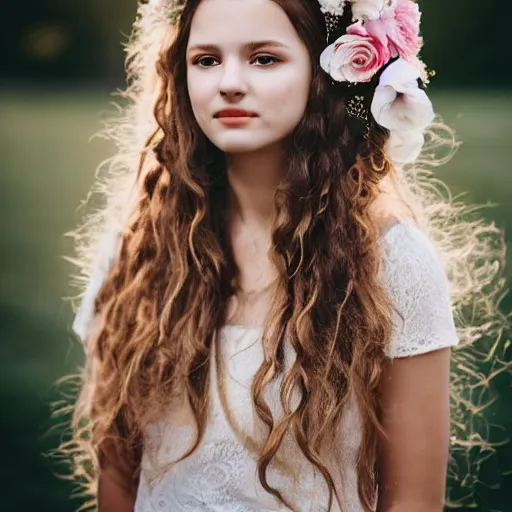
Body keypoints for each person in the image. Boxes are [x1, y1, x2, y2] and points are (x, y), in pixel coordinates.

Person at [63, 0, 509, 511]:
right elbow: (118, 477)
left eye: (264, 58)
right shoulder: (138, 248)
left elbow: (413, 501)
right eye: (206, 59)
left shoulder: (392, 261)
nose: (229, 81)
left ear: (325, 73)